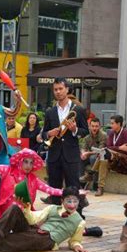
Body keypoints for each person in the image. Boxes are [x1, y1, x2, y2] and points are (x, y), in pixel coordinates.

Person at [41, 78, 89, 211]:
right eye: (55, 89)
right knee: (54, 189)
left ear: (67, 89)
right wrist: (49, 133)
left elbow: (85, 131)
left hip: (71, 155)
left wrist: (74, 130)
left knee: (73, 187)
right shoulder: (50, 112)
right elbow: (43, 133)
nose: (58, 92)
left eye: (60, 89)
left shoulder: (78, 110)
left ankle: (77, 218)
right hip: (54, 156)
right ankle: (55, 218)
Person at [79, 118, 107, 196]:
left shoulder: (103, 135)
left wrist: (88, 153)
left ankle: (95, 183)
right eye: (93, 126)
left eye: (96, 126)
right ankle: (81, 182)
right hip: (90, 155)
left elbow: (100, 150)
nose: (94, 128)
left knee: (93, 158)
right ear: (89, 127)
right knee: (80, 158)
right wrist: (83, 153)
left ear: (99, 127)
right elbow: (83, 147)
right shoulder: (87, 137)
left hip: (99, 157)